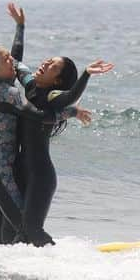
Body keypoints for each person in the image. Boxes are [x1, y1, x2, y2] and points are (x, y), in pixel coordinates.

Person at [0, 4, 82, 247]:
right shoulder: (8, 93)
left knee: (1, 237)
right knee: (25, 230)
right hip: (1, 175)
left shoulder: (2, 84)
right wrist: (72, 112)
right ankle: (66, 262)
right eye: (4, 59)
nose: (10, 60)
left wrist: (20, 27)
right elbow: (38, 115)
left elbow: (16, 57)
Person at [16, 53, 112, 244]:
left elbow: (70, 96)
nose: (46, 62)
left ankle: (64, 261)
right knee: (19, 229)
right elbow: (17, 65)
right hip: (22, 169)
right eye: (48, 60)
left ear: (57, 80)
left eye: (53, 65)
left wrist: (86, 74)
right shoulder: (31, 87)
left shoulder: (52, 96)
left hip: (40, 175)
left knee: (32, 229)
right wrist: (20, 27)